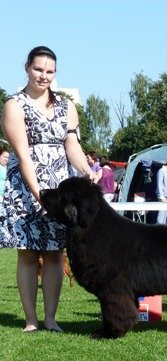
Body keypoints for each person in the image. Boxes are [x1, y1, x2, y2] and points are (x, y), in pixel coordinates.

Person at [0, 46, 95, 333]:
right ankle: (31, 320)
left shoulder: (67, 106)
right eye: (38, 69)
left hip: (60, 185)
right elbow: (23, 154)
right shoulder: (14, 105)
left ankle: (51, 319)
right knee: (28, 253)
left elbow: (72, 145)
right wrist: (38, 193)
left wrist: (86, 171)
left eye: (49, 71)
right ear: (26, 67)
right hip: (25, 186)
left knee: (56, 253)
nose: (43, 75)